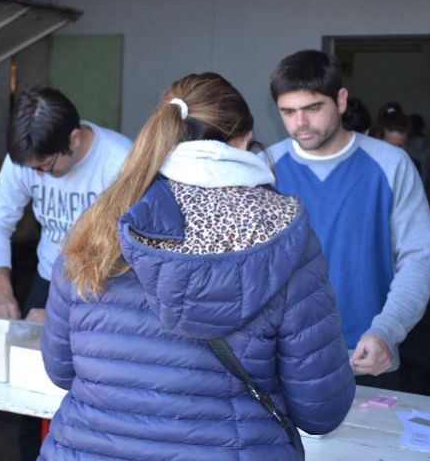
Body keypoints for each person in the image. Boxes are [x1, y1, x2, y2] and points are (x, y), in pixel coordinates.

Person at [39, 73, 355, 460]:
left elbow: (61, 369)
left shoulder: (100, 223)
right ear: (243, 139)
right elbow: (321, 408)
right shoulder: (284, 234)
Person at [267, 50, 430, 385]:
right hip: (285, 361)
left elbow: (418, 260)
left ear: (341, 101)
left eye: (312, 108)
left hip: (370, 357)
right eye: (288, 112)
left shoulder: (391, 165)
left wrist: (386, 331)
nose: (299, 123)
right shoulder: (264, 170)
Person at [0, 86, 130, 458]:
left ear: (74, 138)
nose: (40, 177)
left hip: (107, 290)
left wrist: (65, 314)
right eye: (33, 170)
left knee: (96, 397)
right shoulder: (26, 159)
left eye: (47, 167)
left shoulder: (121, 162)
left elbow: (133, 258)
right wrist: (1, 289)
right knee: (30, 396)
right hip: (48, 281)